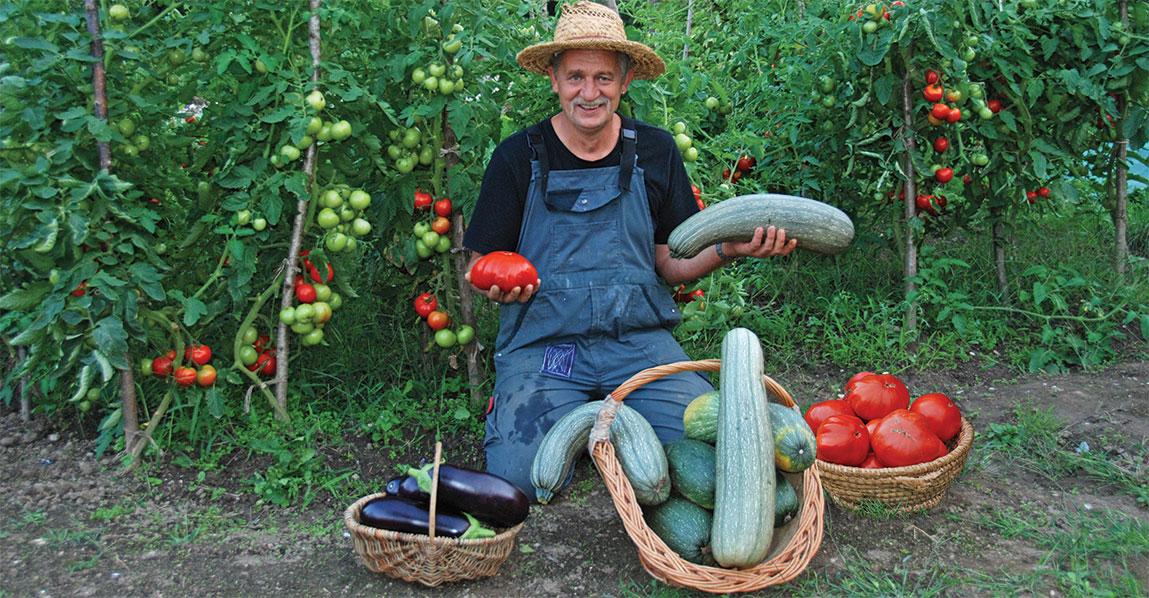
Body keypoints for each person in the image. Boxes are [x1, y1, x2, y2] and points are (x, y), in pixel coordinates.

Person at [462, 0, 796, 497]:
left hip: (639, 345)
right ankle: (594, 425)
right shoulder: (517, 156)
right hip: (549, 349)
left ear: (625, 82)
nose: (589, 92)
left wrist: (729, 247)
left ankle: (604, 428)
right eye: (576, 76)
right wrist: (496, 289)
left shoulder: (656, 150)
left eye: (603, 78)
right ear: (553, 79)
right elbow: (480, 264)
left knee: (711, 452)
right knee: (520, 480)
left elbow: (671, 263)